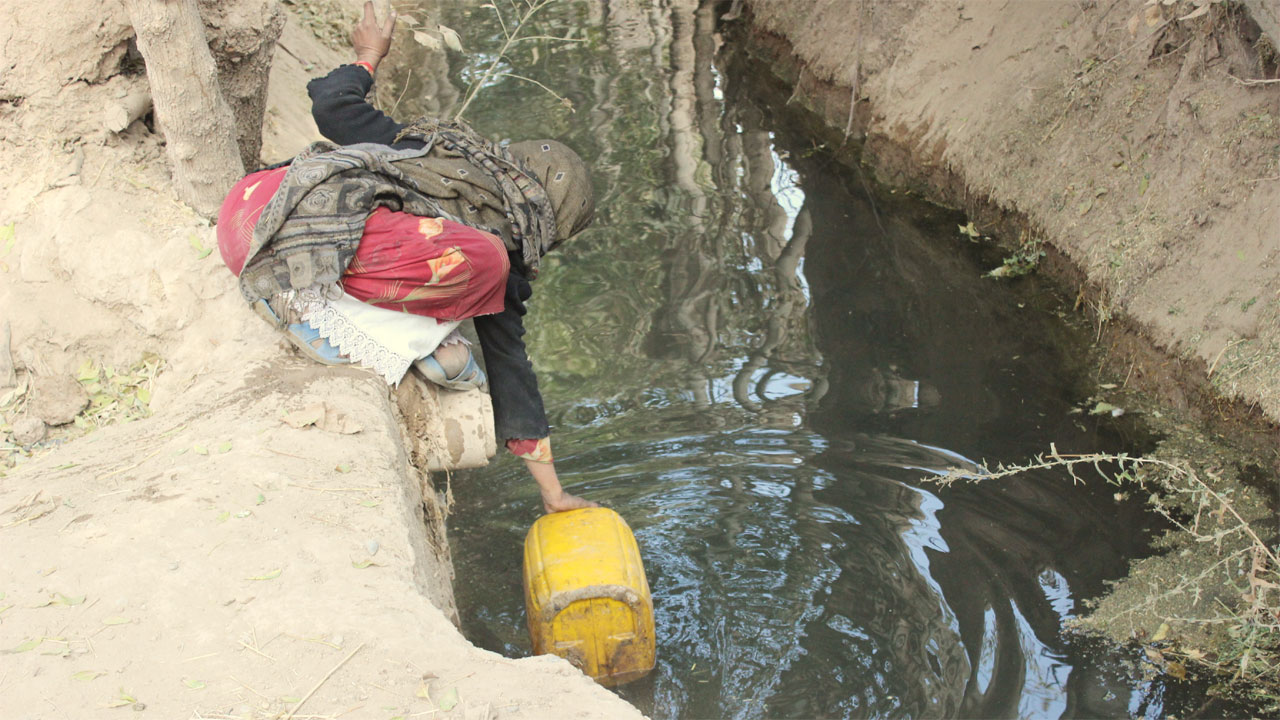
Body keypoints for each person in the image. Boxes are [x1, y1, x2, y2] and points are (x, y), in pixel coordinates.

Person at [215, 2, 597, 514]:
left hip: (248, 211)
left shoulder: (435, 149)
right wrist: (553, 495)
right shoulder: (500, 248)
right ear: (548, 224)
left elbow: (331, 105)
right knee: (475, 286)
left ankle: (312, 296)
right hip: (278, 259)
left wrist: (369, 55)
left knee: (461, 305)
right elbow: (511, 370)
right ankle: (301, 303)